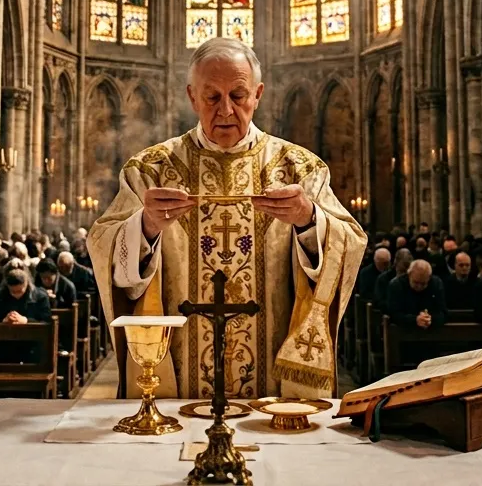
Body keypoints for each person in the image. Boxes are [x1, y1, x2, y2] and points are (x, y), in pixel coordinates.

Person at [90, 37, 367, 399]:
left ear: (258, 94)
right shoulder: (150, 171)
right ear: (192, 96)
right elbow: (103, 246)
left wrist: (309, 219)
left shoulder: (300, 169)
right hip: (178, 375)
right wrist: (146, 226)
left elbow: (349, 242)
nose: (225, 110)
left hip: (271, 381)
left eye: (237, 96)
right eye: (211, 97)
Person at [0, 269, 53, 362]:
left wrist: (26, 321)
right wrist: (3, 321)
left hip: (31, 345)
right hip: (5, 345)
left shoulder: (40, 297)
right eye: (13, 292)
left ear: (26, 284)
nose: (17, 295)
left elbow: (46, 322)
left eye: (20, 291)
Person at [386, 260, 446, 330]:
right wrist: (415, 320)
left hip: (432, 332)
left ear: (429, 278)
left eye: (423, 283)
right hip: (403, 332)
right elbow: (393, 314)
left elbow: (443, 312)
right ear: (409, 275)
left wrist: (430, 319)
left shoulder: (436, 284)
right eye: (416, 282)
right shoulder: (397, 285)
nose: (419, 287)